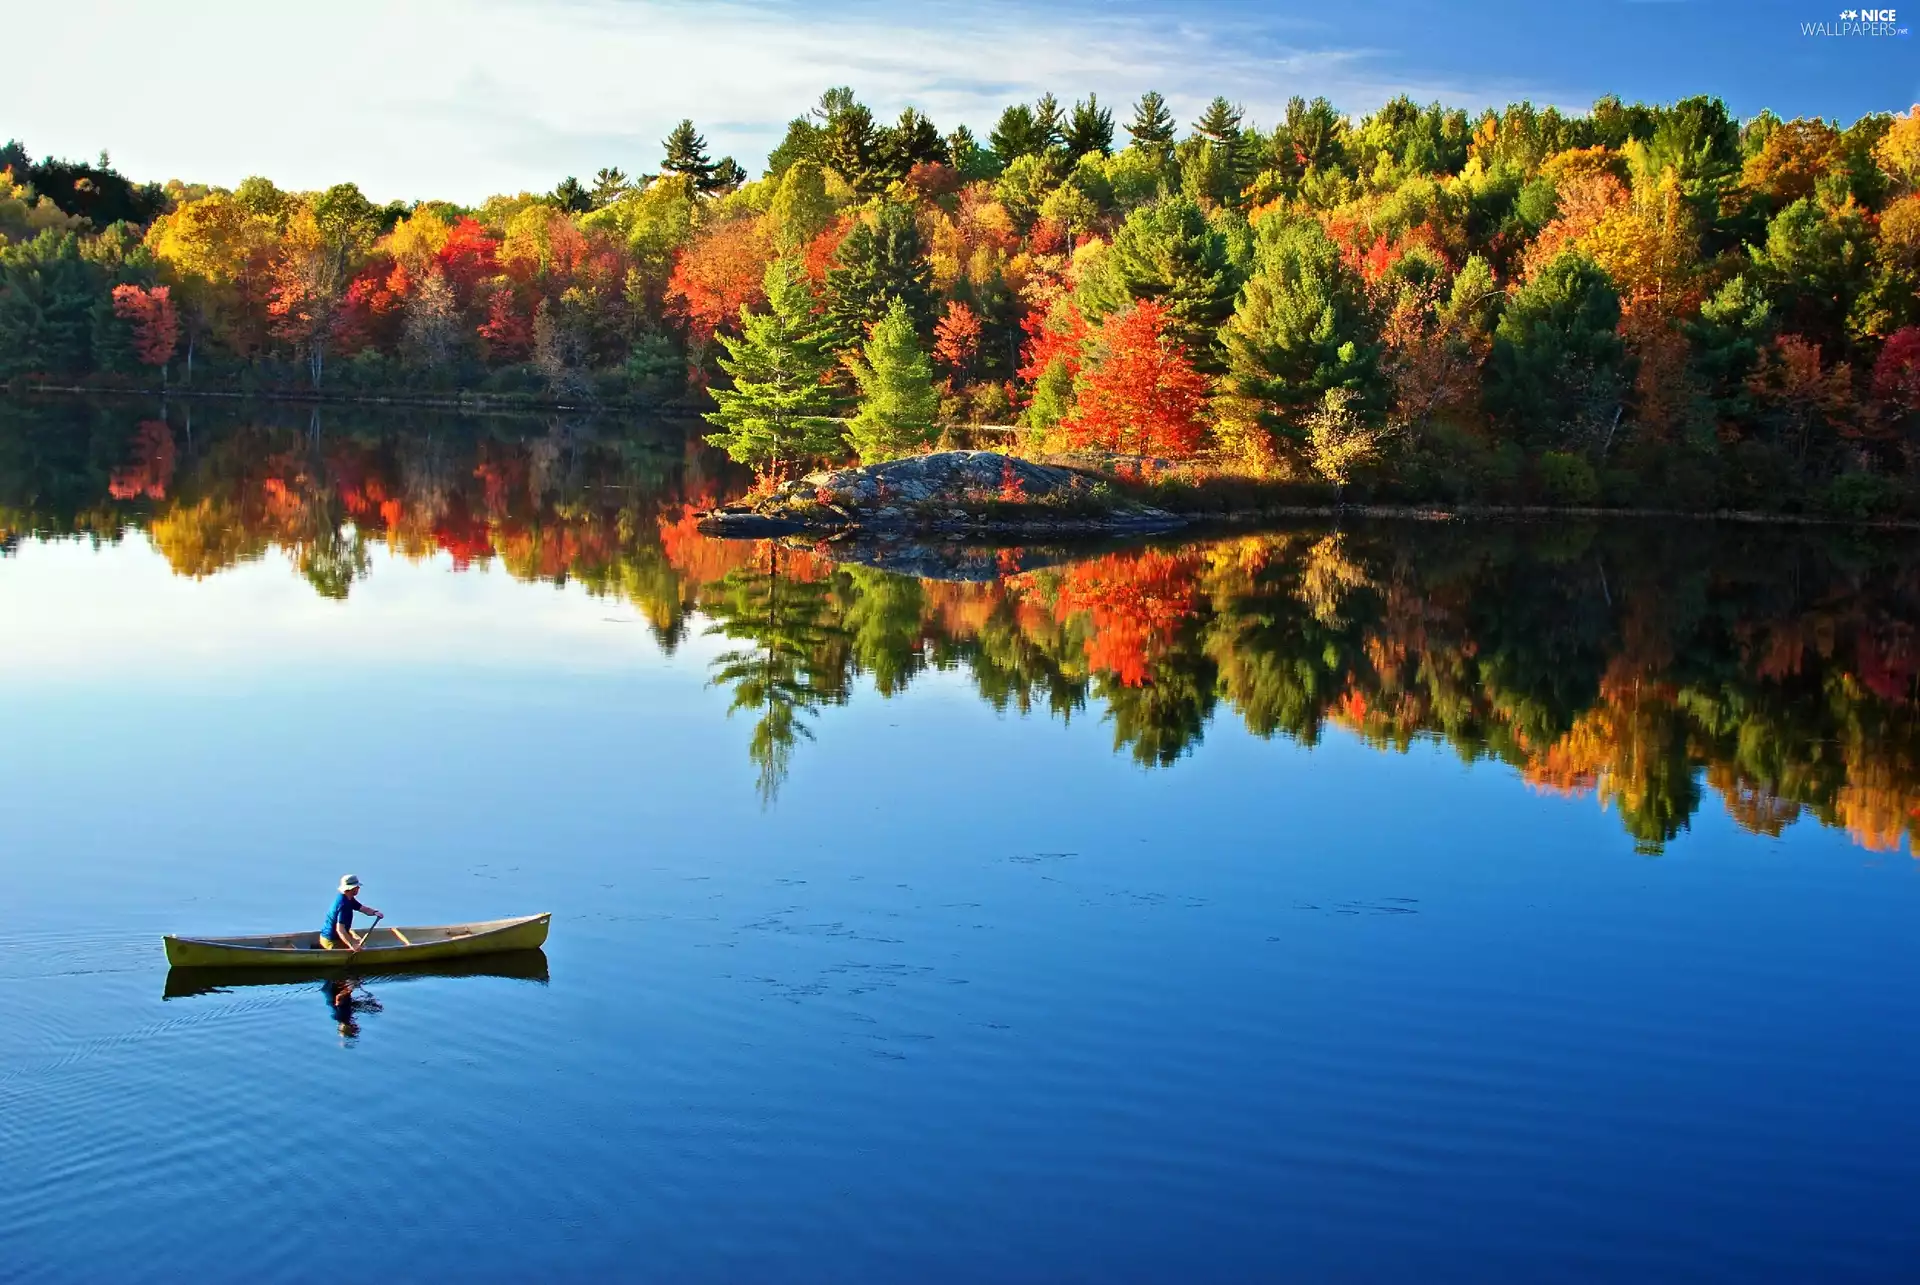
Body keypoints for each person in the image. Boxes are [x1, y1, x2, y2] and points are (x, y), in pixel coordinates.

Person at [318, 874, 383, 951]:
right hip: (331, 941)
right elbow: (340, 930)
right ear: (352, 888)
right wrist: (352, 945)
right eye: (357, 887)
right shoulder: (344, 905)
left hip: (336, 937)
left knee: (360, 943)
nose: (358, 888)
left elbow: (362, 908)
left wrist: (375, 912)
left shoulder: (348, 898)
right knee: (359, 949)